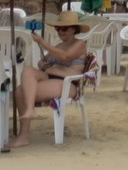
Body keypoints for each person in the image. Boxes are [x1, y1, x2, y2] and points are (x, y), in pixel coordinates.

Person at [6, 11, 89, 149]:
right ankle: (28, 119)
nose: (60, 32)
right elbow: (41, 62)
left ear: (74, 29)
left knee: (22, 92)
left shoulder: (79, 43)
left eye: (64, 28)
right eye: (58, 29)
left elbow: (66, 57)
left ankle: (24, 133)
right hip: (53, 78)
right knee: (26, 73)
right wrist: (44, 65)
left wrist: (42, 43)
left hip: (68, 83)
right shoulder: (58, 46)